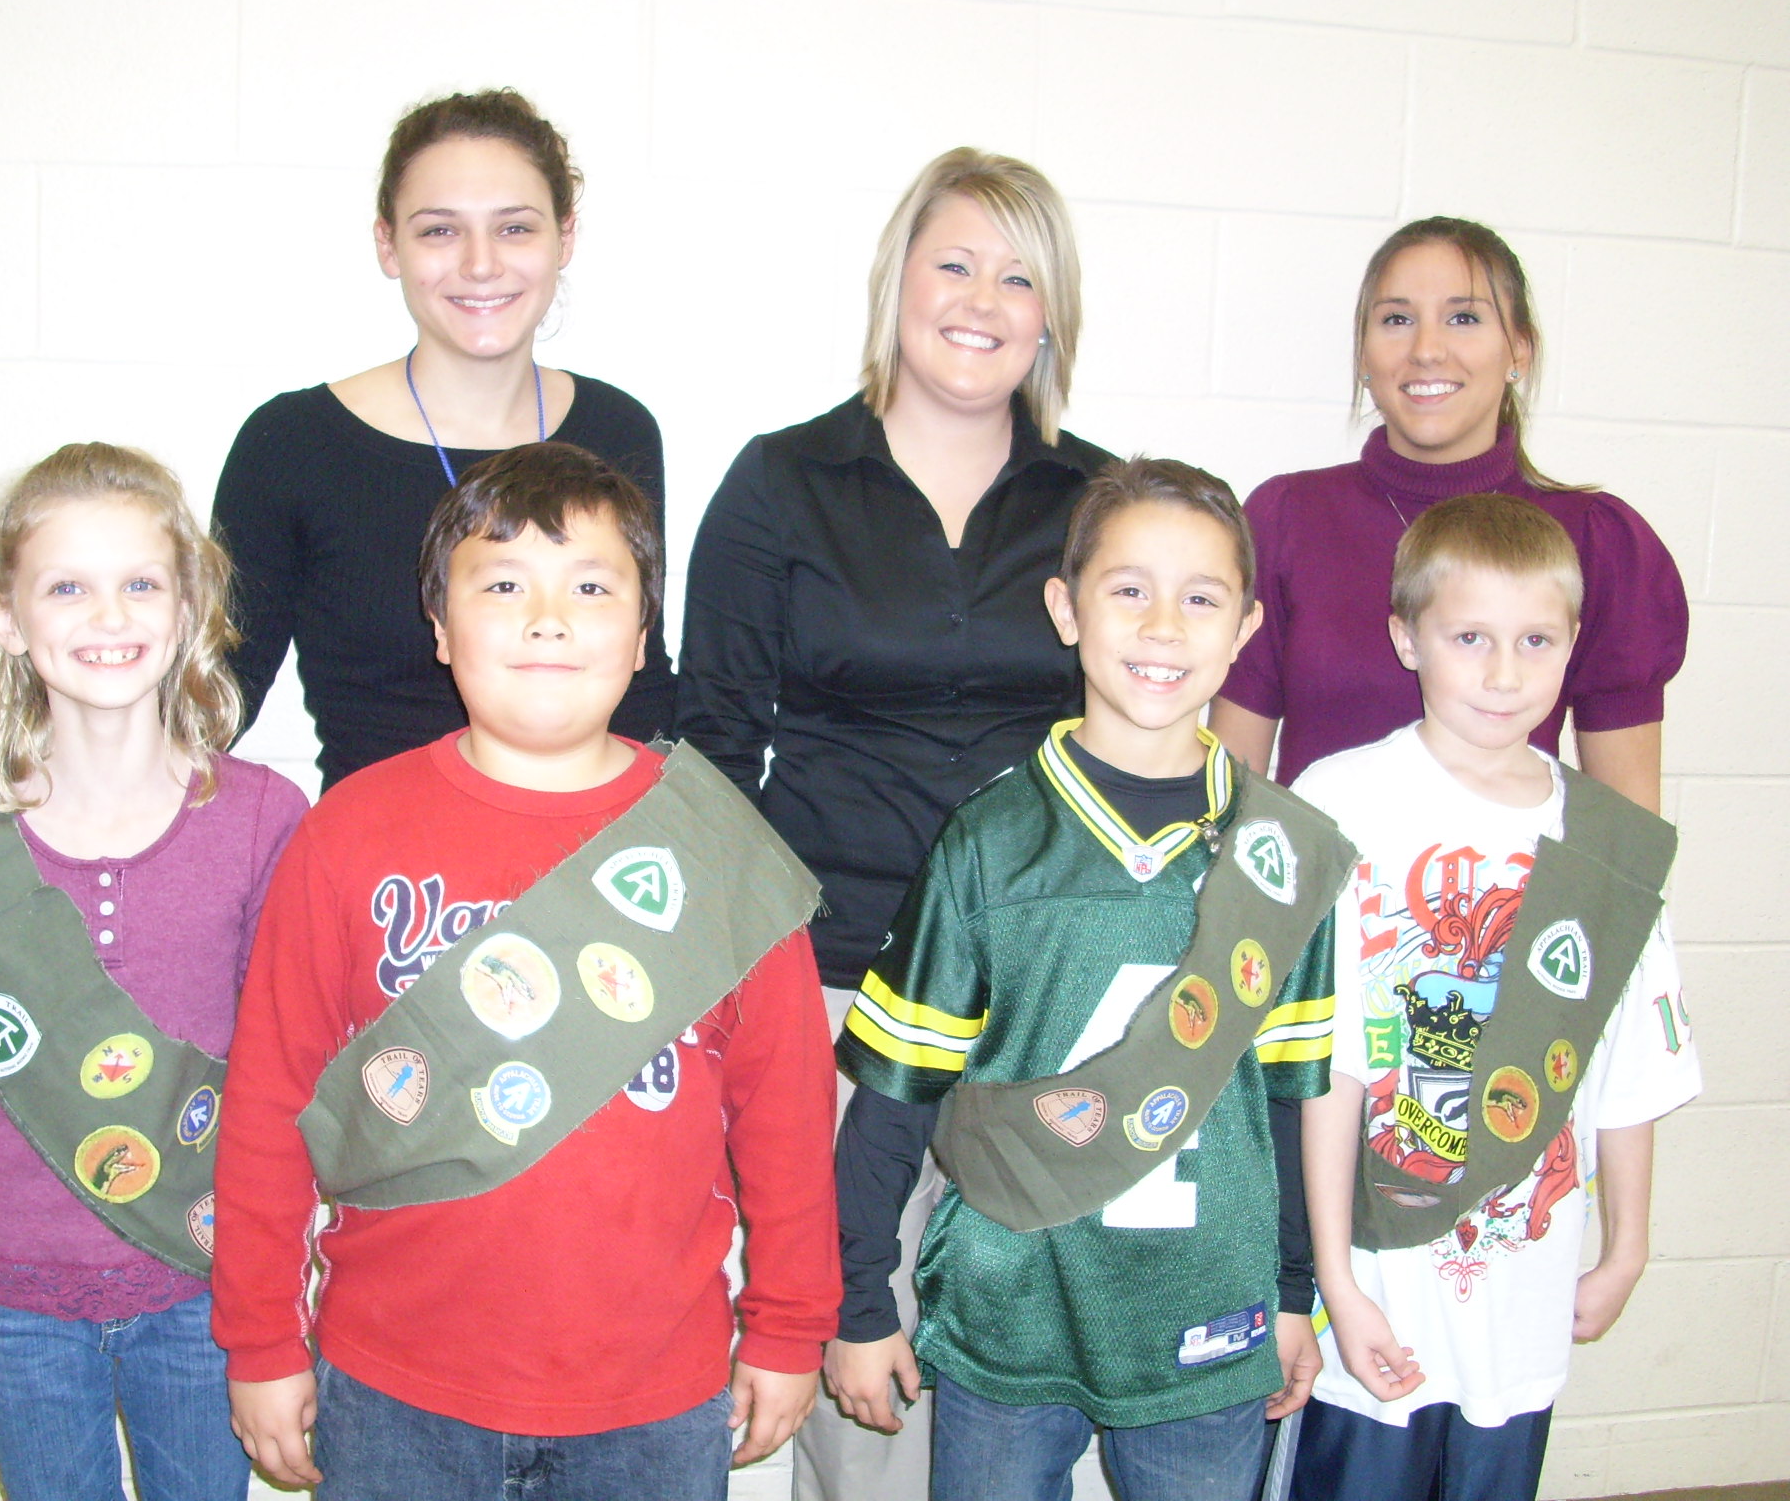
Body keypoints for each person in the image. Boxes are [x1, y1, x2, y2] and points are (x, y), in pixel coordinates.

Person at [211, 444, 839, 1499]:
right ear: (440, 627)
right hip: (393, 1385)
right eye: (502, 586)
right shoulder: (348, 835)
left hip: (652, 1396)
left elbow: (785, 1109)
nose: (548, 619)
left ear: (642, 632)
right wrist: (261, 1339)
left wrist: (790, 1324)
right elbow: (271, 1102)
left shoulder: (719, 850)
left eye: (591, 588)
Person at [675, 146, 1110, 1500]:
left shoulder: (1101, 503)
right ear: (896, 281)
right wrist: (740, 988)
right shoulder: (782, 482)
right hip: (831, 987)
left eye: (1018, 276)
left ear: (1052, 315)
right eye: (954, 263)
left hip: (1037, 996)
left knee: (1019, 1376)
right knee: (861, 1368)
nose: (981, 300)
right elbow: (710, 753)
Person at [831, 457, 1353, 1501]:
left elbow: (1296, 1096)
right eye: (1129, 590)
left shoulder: (1283, 854)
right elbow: (894, 1096)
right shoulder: (988, 843)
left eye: (1199, 599)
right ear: (1065, 610)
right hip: (1008, 1305)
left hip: (1207, 1316)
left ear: (1246, 629)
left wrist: (1294, 1292)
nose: (1162, 626)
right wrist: (859, 1303)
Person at [0, 444, 308, 1500]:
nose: (108, 616)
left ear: (187, 606)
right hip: (17, 1306)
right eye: (66, 588)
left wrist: (276, 1313)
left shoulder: (263, 820)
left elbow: (281, 1083)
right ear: (6, 619)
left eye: (140, 583)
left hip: (205, 1291)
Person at [1290, 494, 1699, 1501]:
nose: (1504, 673)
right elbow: (1321, 1070)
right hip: (1376, 1279)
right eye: (1469, 637)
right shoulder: (1339, 803)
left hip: (1522, 1292)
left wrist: (1628, 1248)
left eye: (1534, 641)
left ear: (1571, 646)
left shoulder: (1607, 844)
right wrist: (1332, 1280)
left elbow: (1629, 1072)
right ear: (1406, 638)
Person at [214, 87, 675, 789]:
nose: (481, 263)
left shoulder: (618, 430)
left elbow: (643, 685)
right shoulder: (292, 444)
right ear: (388, 244)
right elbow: (217, 691)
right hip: (381, 847)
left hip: (585, 848)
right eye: (439, 231)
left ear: (565, 238)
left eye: (514, 227)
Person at [1210, 216, 1686, 814]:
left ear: (1519, 350)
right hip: (1320, 876)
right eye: (1396, 319)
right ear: (1364, 353)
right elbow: (1232, 795)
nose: (1426, 349)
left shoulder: (1597, 541)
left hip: (1509, 875)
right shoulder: (1287, 521)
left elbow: (1625, 828)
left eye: (1463, 318)